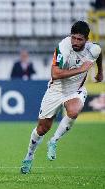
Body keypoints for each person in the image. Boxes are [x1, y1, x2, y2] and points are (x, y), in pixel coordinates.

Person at [20, 21, 103, 174]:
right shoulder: (63, 47)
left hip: (75, 90)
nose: (76, 42)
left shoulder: (93, 49)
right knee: (42, 128)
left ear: (86, 39)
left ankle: (54, 141)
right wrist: (80, 70)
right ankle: (29, 156)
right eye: (74, 38)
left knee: (74, 111)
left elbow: (99, 53)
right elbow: (55, 74)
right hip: (56, 89)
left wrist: (100, 72)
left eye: (79, 39)